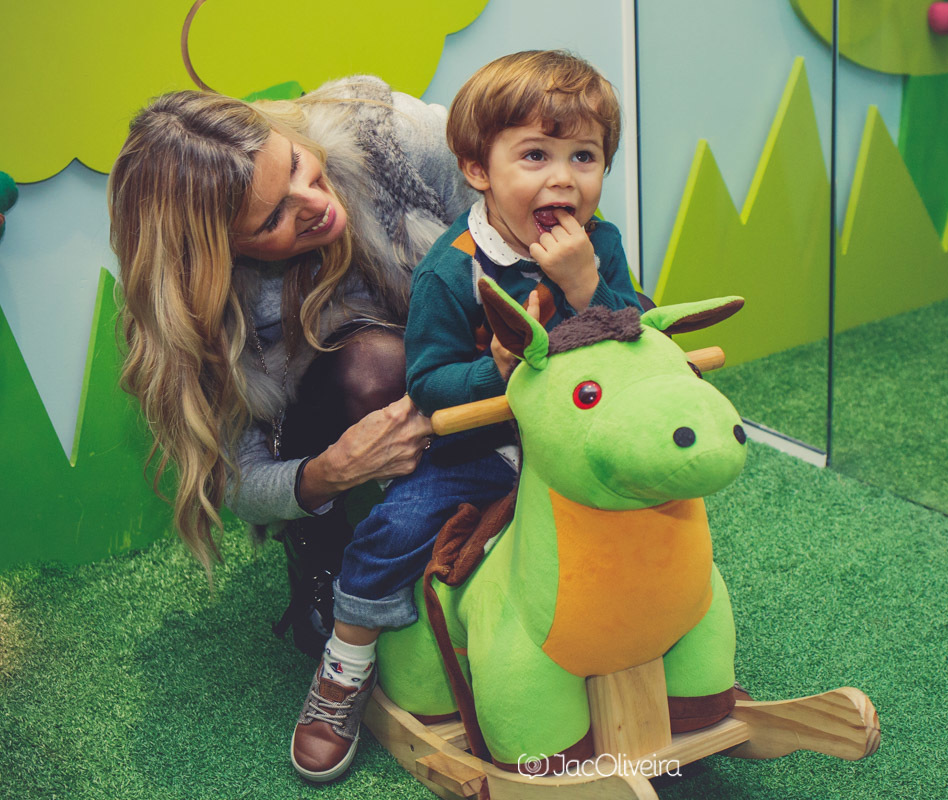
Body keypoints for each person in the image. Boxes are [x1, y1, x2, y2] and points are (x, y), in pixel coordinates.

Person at [288, 50, 643, 782]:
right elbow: (430, 383)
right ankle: (344, 665)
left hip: (577, 437)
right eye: (536, 155)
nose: (563, 178)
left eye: (586, 156)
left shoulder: (597, 245)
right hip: (483, 451)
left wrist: (588, 290)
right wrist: (499, 372)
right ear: (479, 170)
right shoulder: (453, 267)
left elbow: (638, 340)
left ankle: (647, 644)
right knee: (398, 525)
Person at [108, 76, 476, 665]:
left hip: (475, 363)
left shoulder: (388, 135)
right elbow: (239, 479)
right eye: (273, 217)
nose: (317, 203)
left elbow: (534, 217)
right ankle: (324, 543)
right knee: (375, 370)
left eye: (299, 165)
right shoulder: (196, 307)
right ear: (217, 253)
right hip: (346, 403)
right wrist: (326, 474)